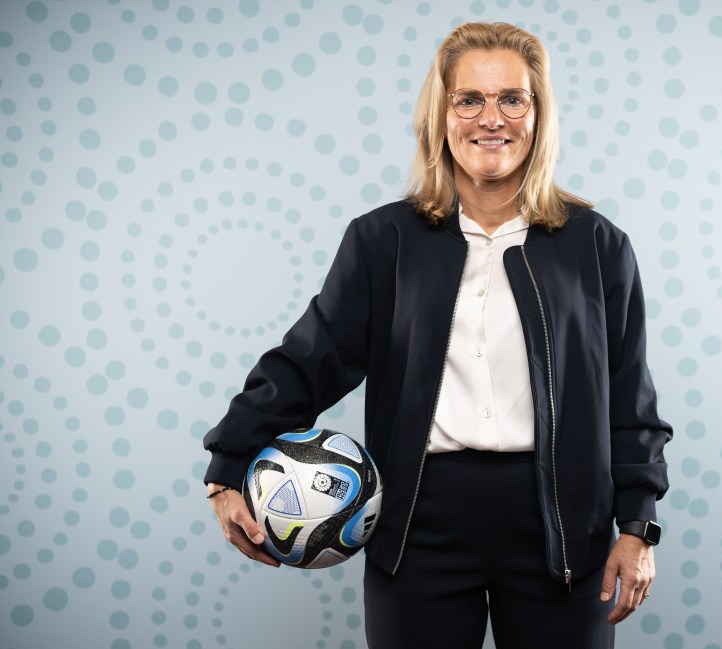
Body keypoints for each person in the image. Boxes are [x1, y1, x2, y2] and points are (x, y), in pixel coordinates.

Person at [203, 21, 671, 649]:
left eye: (513, 98)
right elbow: (312, 358)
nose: (491, 118)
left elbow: (629, 397)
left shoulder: (598, 246)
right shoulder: (383, 241)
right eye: (469, 99)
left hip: (563, 528)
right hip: (418, 523)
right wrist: (229, 460)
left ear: (539, 114)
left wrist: (638, 525)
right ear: (441, 115)